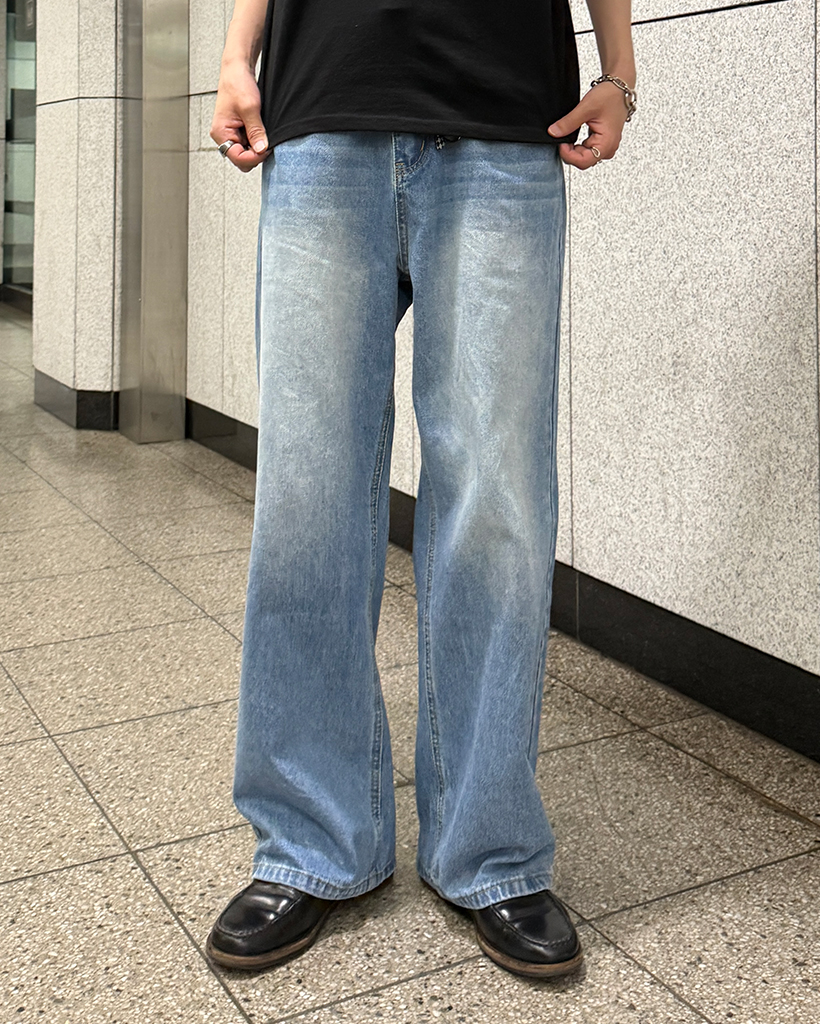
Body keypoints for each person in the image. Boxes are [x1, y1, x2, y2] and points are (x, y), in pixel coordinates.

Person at [206, 0, 636, 979]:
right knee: (308, 498)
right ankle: (310, 838)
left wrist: (619, 70)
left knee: (497, 501)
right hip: (322, 112)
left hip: (504, 120)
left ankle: (489, 847)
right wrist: (235, 54)